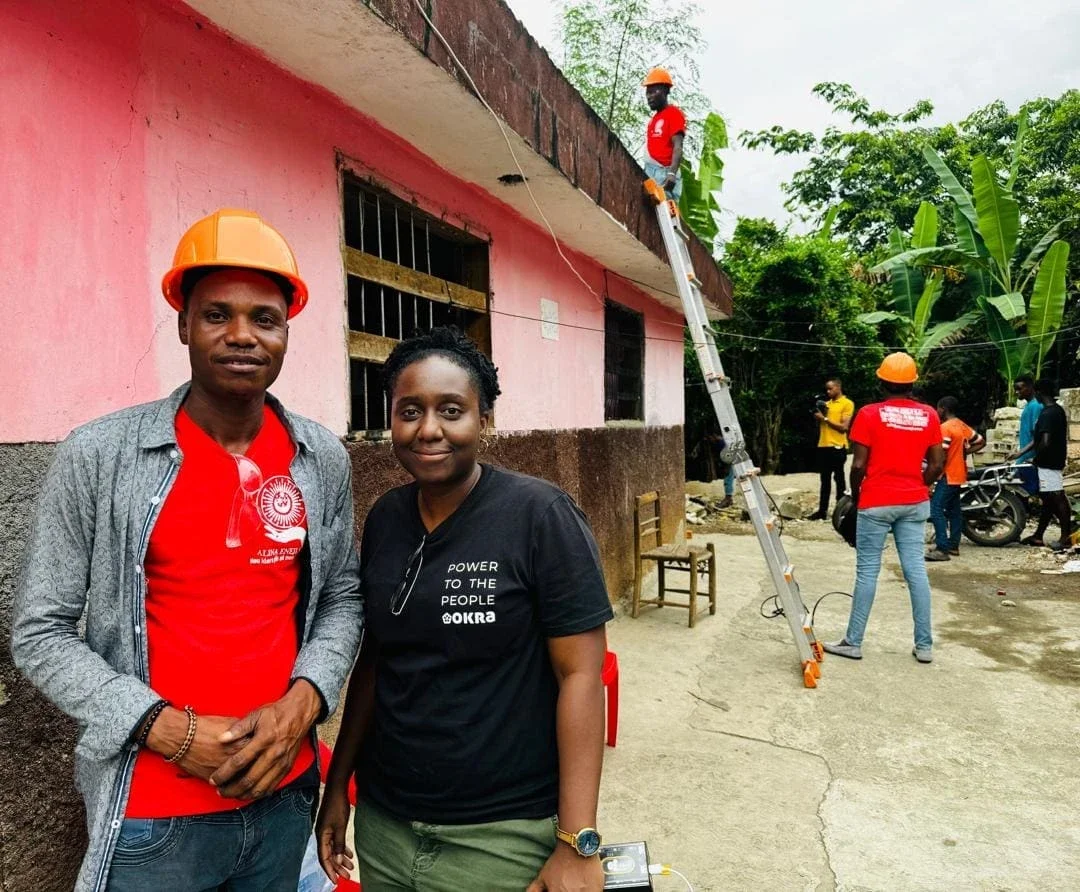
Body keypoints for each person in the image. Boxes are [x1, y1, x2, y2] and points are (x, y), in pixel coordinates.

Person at [10, 209, 363, 892]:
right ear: (182, 323)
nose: (242, 336)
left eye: (264, 318)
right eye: (217, 315)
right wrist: (166, 729)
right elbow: (39, 631)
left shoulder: (319, 458)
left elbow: (343, 597)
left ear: (287, 331)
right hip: (151, 819)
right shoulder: (101, 455)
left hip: (285, 797)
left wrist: (305, 702)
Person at [316, 327, 612, 892]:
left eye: (451, 410)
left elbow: (581, 676)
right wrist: (339, 788)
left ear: (485, 421)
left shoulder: (539, 515)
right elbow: (376, 664)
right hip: (386, 827)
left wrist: (578, 841)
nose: (429, 430)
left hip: (499, 837)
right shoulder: (385, 517)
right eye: (410, 411)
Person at [823, 353, 945, 664]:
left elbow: (859, 464)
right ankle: (925, 645)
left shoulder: (868, 414)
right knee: (916, 572)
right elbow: (937, 464)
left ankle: (853, 642)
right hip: (915, 502)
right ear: (912, 383)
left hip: (877, 501)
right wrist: (921, 484)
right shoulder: (929, 415)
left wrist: (856, 494)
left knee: (867, 572)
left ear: (881, 382)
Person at [926, 397, 985, 561]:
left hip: (947, 474)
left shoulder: (944, 428)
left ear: (943, 409)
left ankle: (942, 548)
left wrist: (931, 477)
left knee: (936, 509)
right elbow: (981, 441)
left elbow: (942, 456)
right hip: (959, 474)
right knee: (954, 511)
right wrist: (964, 452)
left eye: (938, 409)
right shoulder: (961, 425)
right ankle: (953, 545)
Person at [1022, 378, 1072, 550]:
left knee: (1057, 497)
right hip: (1052, 461)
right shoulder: (1055, 411)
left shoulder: (1048, 413)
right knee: (1049, 500)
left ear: (1038, 393)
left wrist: (1036, 459)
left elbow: (1045, 441)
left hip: (1049, 463)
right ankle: (1038, 535)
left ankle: (1066, 537)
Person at [808, 378, 855, 520]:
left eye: (831, 389)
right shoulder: (826, 405)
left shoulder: (847, 404)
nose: (828, 392)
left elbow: (844, 428)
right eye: (827, 389)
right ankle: (822, 511)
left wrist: (825, 419)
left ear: (838, 387)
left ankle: (841, 511)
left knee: (839, 479)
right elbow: (821, 424)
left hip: (838, 446)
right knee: (824, 480)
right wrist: (818, 417)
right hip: (823, 445)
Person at [642, 67, 686, 200]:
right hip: (651, 171)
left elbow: (678, 146)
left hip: (664, 173)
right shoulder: (653, 120)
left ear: (666, 90)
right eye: (647, 93)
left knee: (666, 209)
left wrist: (672, 174)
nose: (649, 97)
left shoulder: (673, 114)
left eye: (653, 91)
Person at [1006, 374, 1043, 495]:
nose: (1017, 392)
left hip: (1030, 458)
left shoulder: (1036, 406)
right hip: (1024, 457)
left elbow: (1037, 435)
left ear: (1030, 387)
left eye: (1019, 388)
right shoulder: (1029, 406)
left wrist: (1021, 453)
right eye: (1016, 389)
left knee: (1030, 492)